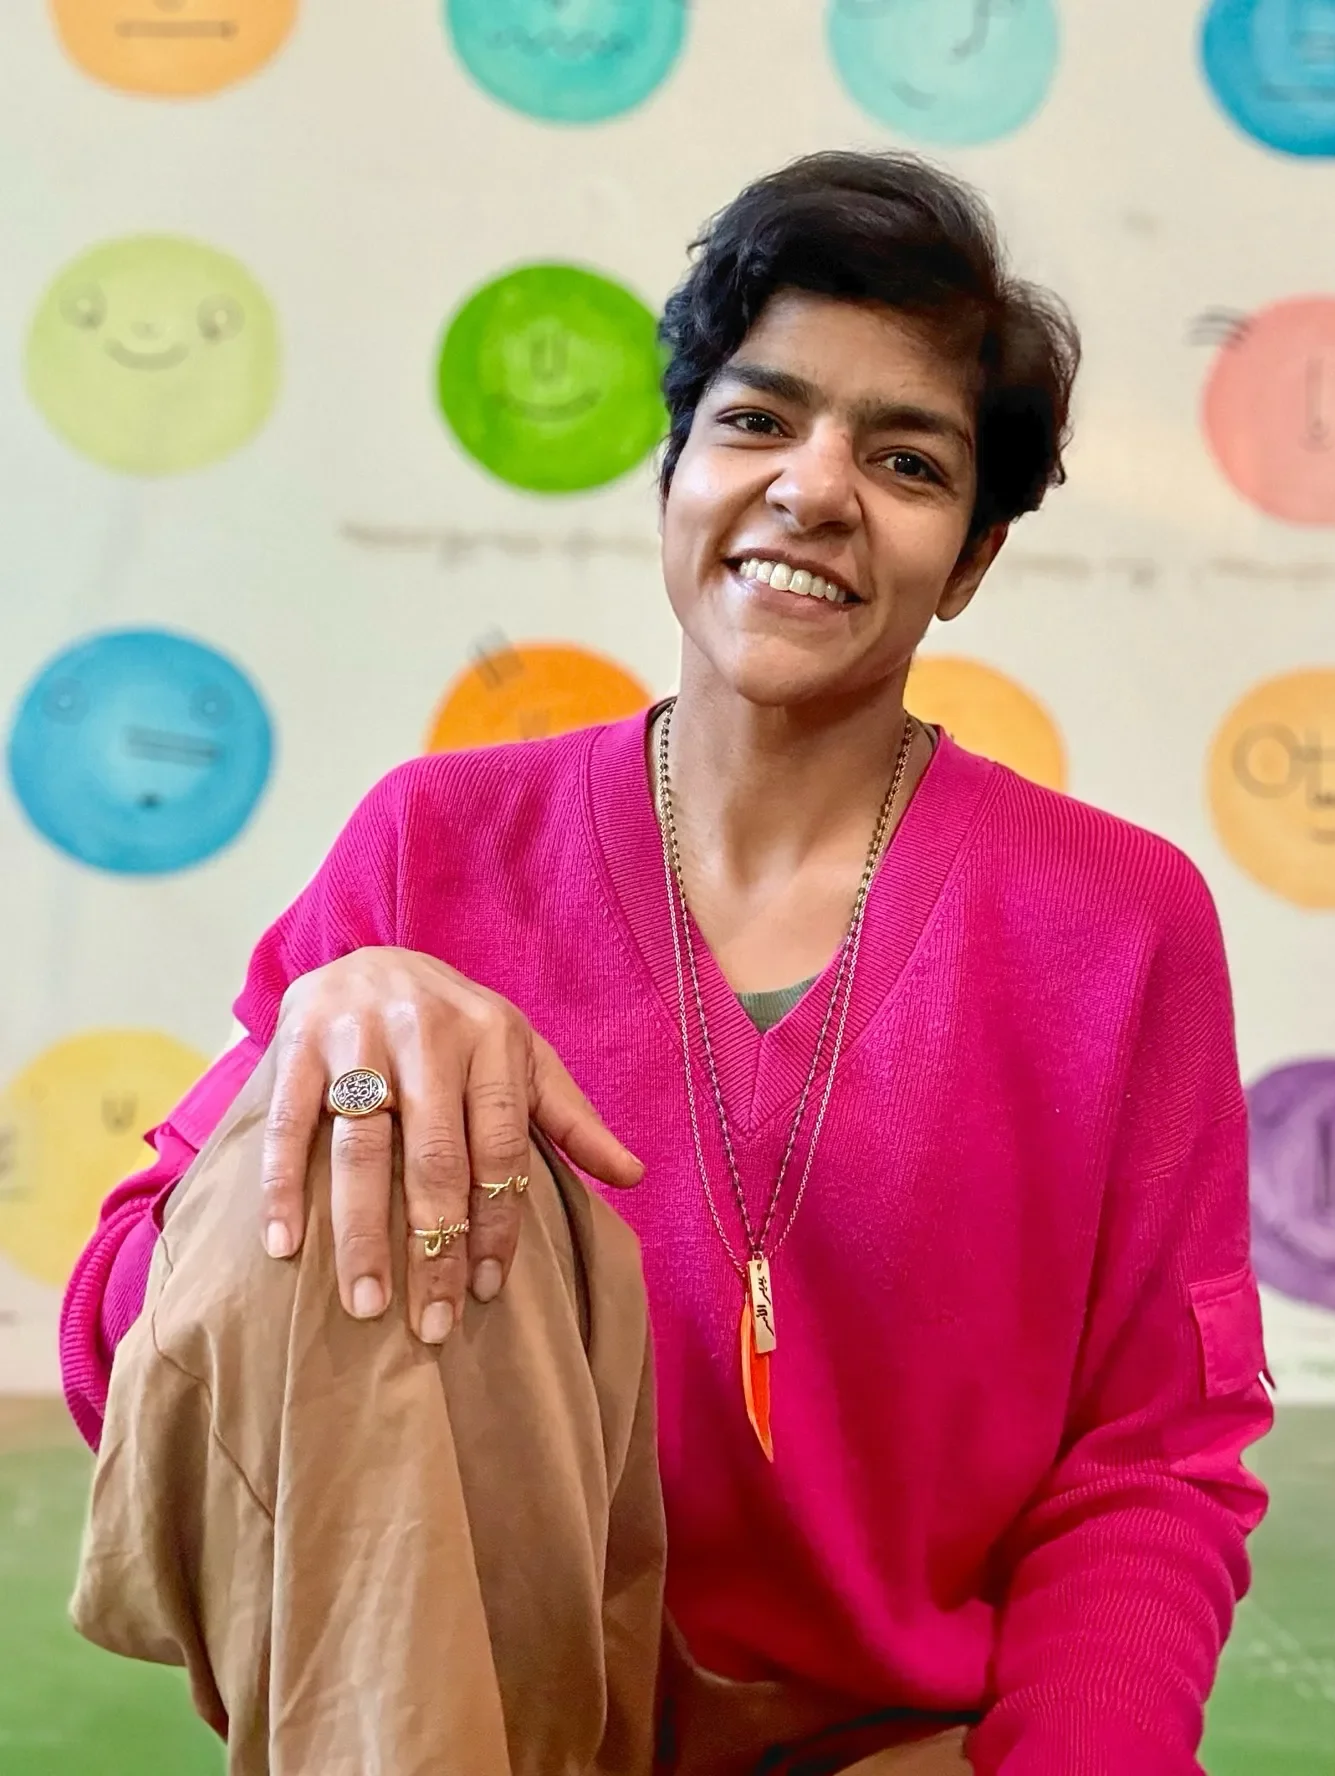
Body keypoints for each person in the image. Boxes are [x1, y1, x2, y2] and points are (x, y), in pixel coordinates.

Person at [62, 151, 1272, 1774]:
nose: (813, 489)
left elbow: (1152, 1462)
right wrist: (318, 1055)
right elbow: (123, 1343)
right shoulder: (437, 845)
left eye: (905, 460)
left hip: (893, 1745)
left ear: (971, 561)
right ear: (674, 474)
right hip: (468, 1722)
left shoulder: (1118, 923)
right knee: (387, 1090)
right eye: (758, 422)